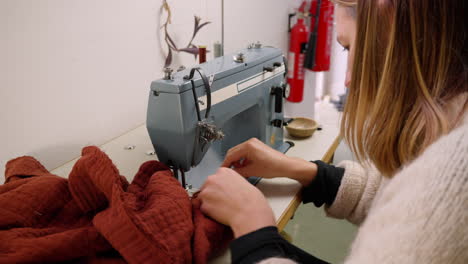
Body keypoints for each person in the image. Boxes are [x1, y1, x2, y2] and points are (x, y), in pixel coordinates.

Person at [198, 0, 468, 263]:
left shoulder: (457, 166)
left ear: (388, 15)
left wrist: (252, 225)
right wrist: (307, 172)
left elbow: (433, 199)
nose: (349, 79)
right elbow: (404, 199)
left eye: (348, 48)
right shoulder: (448, 138)